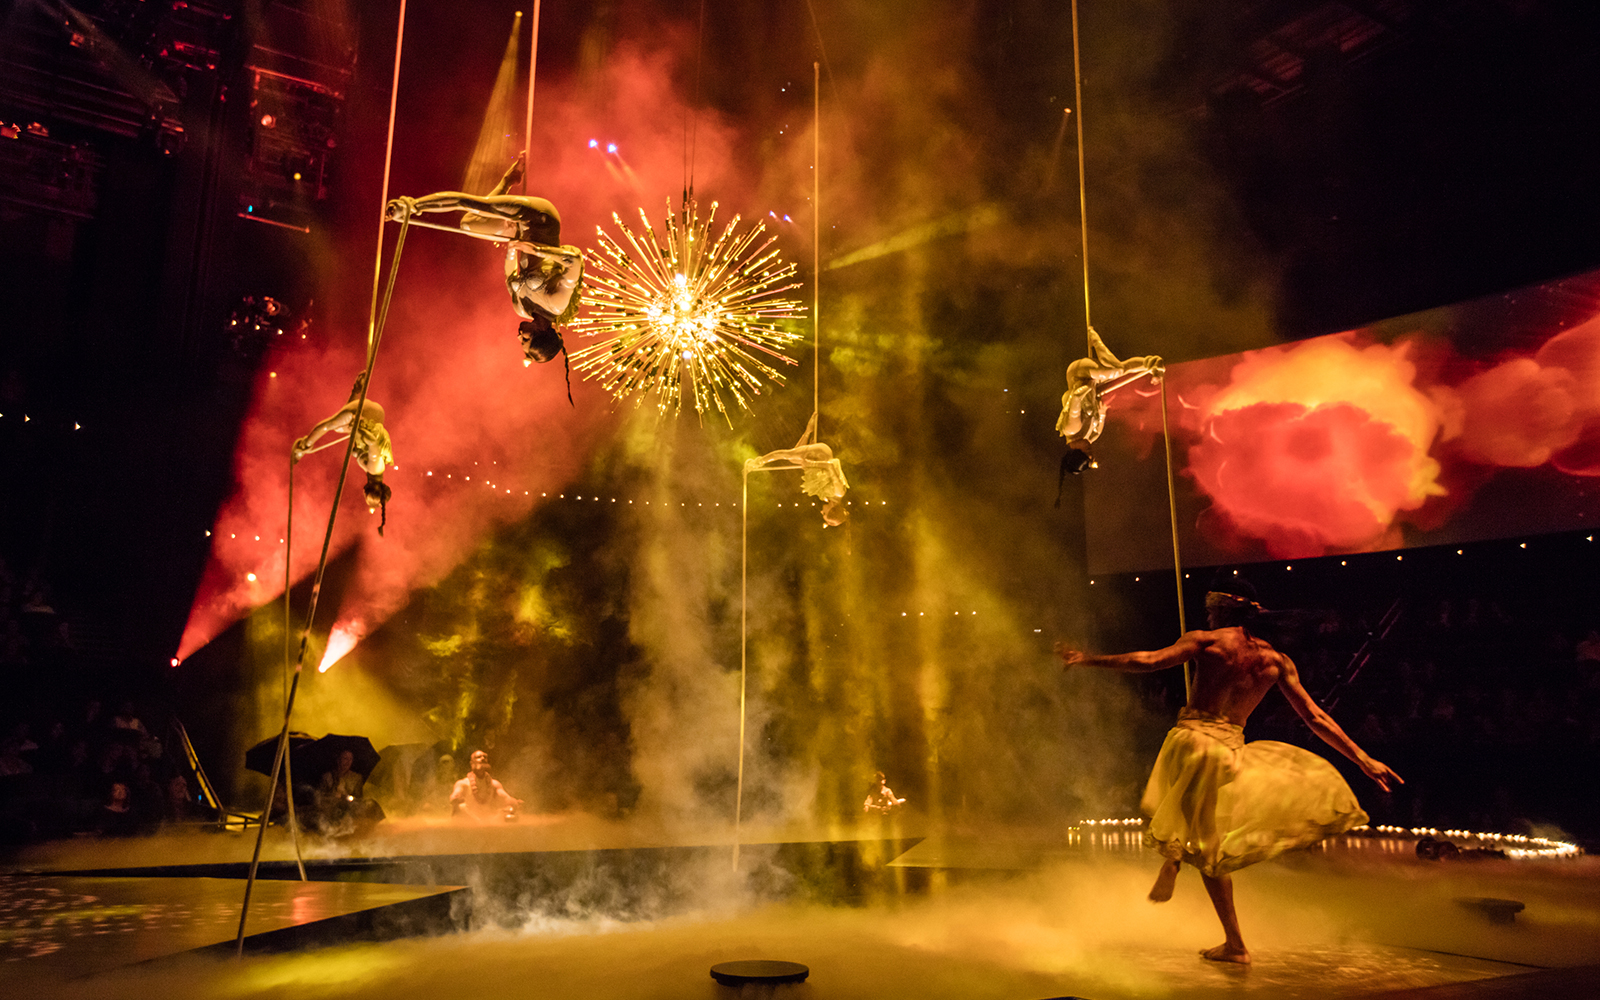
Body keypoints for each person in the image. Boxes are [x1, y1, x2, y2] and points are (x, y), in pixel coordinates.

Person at [1055, 578, 1402, 965]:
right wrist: (1362, 758)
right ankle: (1231, 938)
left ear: (1221, 609)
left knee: (1190, 830)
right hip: (1231, 752)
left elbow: (1149, 661)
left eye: (1209, 608)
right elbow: (1315, 717)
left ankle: (1174, 859)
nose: (1206, 615)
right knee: (1210, 849)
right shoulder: (1276, 661)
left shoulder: (1207, 641)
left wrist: (1088, 659)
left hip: (1193, 741)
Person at [388, 155, 584, 368]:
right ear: (542, 333)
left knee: (469, 223)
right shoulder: (556, 304)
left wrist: (512, 248)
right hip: (541, 220)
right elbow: (575, 262)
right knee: (469, 204)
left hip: (519, 233)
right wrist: (537, 249)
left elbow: (510, 274)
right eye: (526, 341)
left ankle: (508, 181)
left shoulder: (521, 308)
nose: (519, 338)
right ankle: (410, 206)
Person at [293, 372, 394, 533]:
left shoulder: (372, 470)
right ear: (369, 488)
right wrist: (359, 429)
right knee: (330, 426)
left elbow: (362, 448)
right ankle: (304, 446)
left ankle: (356, 391)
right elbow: (374, 442)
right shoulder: (375, 468)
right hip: (368, 418)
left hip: (371, 415)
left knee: (340, 426)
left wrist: (356, 436)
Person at [1055, 326, 1163, 474]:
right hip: (1092, 380)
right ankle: (1151, 364)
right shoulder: (1091, 436)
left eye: (1085, 452)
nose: (1089, 450)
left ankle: (1095, 339)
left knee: (1116, 370)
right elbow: (1099, 423)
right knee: (1120, 369)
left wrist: (1086, 389)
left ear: (1073, 450)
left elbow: (1074, 401)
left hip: (1078, 374)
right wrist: (1102, 412)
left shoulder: (1071, 429)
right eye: (1090, 454)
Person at [744, 412, 850, 526]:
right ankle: (758, 462)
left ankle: (808, 431)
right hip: (822, 454)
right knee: (787, 454)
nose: (821, 512)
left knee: (793, 459)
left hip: (818, 457)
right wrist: (811, 463)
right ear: (832, 510)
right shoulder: (839, 493)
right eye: (824, 514)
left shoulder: (827, 497)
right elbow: (830, 465)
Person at [449, 750, 523, 823]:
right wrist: (455, 798)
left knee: (507, 811)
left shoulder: (494, 784)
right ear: (472, 763)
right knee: (460, 807)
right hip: (470, 823)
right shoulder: (463, 784)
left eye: (484, 757)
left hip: (490, 822)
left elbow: (506, 799)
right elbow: (455, 795)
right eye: (478, 757)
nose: (482, 758)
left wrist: (515, 803)